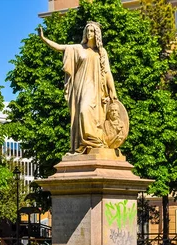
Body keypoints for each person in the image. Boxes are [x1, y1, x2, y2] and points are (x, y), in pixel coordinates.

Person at [39, 22, 119, 154]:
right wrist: (44, 38)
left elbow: (108, 73)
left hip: (97, 87)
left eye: (92, 31)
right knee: (82, 110)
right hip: (81, 86)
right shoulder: (78, 48)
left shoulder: (101, 52)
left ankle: (95, 141)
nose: (89, 33)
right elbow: (59, 47)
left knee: (94, 115)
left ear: (97, 34)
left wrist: (112, 90)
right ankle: (86, 142)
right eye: (87, 31)